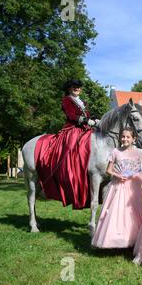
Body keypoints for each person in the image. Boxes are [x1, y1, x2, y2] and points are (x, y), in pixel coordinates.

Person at [35, 79, 99, 209]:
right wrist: (84, 120)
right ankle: (62, 167)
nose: (77, 89)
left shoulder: (82, 102)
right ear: (69, 89)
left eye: (79, 87)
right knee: (71, 146)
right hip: (72, 129)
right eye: (74, 87)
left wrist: (93, 120)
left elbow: (87, 116)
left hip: (85, 129)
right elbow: (70, 115)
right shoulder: (67, 100)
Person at [91, 128, 142, 248]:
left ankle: (134, 238)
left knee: (133, 212)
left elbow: (139, 170)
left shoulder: (137, 153)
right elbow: (108, 170)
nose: (125, 139)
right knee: (117, 212)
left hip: (133, 187)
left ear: (133, 139)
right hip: (118, 186)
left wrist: (136, 177)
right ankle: (116, 239)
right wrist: (118, 175)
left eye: (128, 137)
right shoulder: (116, 151)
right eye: (123, 137)